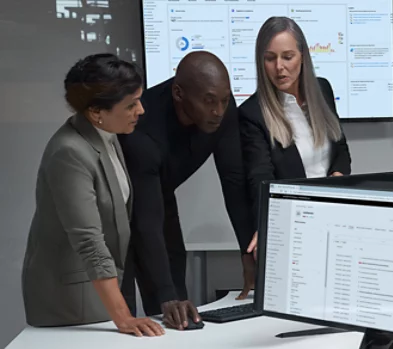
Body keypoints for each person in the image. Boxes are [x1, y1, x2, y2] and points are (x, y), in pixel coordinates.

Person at [21, 53, 164, 337]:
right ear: (97, 112)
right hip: (73, 301)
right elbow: (89, 241)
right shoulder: (70, 152)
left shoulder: (105, 134)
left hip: (97, 292)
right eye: (131, 104)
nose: (141, 110)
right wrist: (124, 317)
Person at [117, 50, 256, 328]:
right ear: (179, 93)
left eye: (224, 100)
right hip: (118, 210)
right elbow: (145, 221)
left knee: (180, 310)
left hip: (161, 197)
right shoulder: (143, 127)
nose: (218, 111)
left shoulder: (223, 112)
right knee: (126, 311)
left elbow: (233, 182)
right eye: (208, 101)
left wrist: (247, 253)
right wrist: (166, 296)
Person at [239, 16, 352, 255]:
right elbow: (260, 178)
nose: (279, 67)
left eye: (287, 57)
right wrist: (265, 224)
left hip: (335, 216)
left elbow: (341, 149)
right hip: (294, 225)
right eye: (270, 58)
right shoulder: (252, 113)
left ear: (302, 56)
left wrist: (337, 179)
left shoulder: (323, 90)